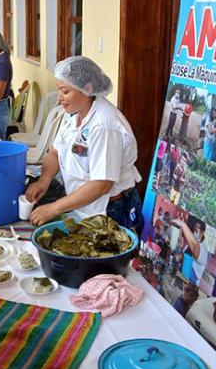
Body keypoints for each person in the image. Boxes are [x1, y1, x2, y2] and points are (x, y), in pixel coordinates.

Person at [25, 56, 143, 236]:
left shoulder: (104, 125)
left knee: (105, 261)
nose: (59, 98)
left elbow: (101, 184)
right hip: (83, 206)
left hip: (111, 210)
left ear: (87, 88)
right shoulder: (72, 113)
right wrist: (44, 181)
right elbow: (55, 153)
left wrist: (54, 208)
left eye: (65, 91)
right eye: (59, 90)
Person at [173, 218, 208, 284]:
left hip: (191, 283)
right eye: (193, 229)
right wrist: (179, 247)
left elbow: (195, 248)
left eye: (196, 229)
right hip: (181, 275)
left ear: (202, 233)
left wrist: (183, 225)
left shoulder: (203, 249)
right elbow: (181, 258)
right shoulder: (188, 246)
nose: (194, 232)